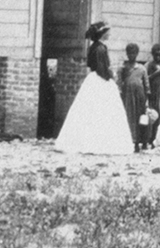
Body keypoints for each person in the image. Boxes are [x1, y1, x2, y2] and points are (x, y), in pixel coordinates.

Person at [55, 21, 134, 155]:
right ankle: (97, 144)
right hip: (100, 80)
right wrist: (110, 76)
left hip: (93, 79)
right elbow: (101, 68)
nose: (109, 33)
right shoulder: (100, 48)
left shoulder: (95, 47)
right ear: (102, 34)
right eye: (107, 31)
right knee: (100, 111)